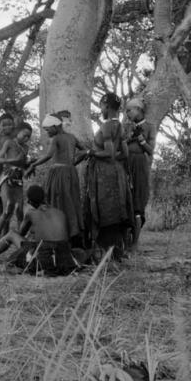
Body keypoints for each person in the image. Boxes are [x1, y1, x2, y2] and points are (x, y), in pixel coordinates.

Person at [0, 184, 89, 276]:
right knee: (79, 252)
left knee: (11, 234)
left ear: (29, 201)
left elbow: (20, 234)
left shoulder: (31, 213)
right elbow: (64, 236)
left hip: (44, 258)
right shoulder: (59, 212)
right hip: (65, 259)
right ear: (44, 197)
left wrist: (32, 228)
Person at [83, 92, 134, 260]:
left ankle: (108, 253)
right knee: (117, 209)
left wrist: (91, 152)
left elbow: (110, 153)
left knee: (105, 210)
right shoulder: (120, 126)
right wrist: (114, 167)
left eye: (101, 107)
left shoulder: (106, 126)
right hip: (116, 172)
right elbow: (124, 154)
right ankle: (118, 252)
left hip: (105, 175)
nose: (101, 110)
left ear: (107, 106)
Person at [24, 114, 86, 246]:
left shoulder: (56, 138)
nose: (47, 132)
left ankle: (60, 233)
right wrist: (73, 163)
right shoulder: (72, 137)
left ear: (55, 126)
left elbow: (48, 155)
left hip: (58, 174)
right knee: (71, 201)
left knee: (57, 200)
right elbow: (85, 151)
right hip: (71, 172)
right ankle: (73, 233)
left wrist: (33, 165)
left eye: (47, 130)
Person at [124, 98, 157, 250]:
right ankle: (124, 241)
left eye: (129, 110)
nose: (127, 113)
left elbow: (150, 151)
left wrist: (141, 139)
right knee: (124, 199)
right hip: (125, 163)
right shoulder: (125, 127)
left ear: (138, 109)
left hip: (139, 165)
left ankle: (135, 243)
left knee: (138, 201)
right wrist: (130, 137)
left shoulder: (150, 127)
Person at [0, 121, 34, 241]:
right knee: (7, 210)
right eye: (24, 134)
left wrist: (29, 164)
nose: (26, 138)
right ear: (17, 132)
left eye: (28, 137)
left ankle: (20, 239)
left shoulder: (26, 148)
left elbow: (23, 164)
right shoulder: (9, 142)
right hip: (7, 177)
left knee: (19, 211)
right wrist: (13, 159)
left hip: (18, 179)